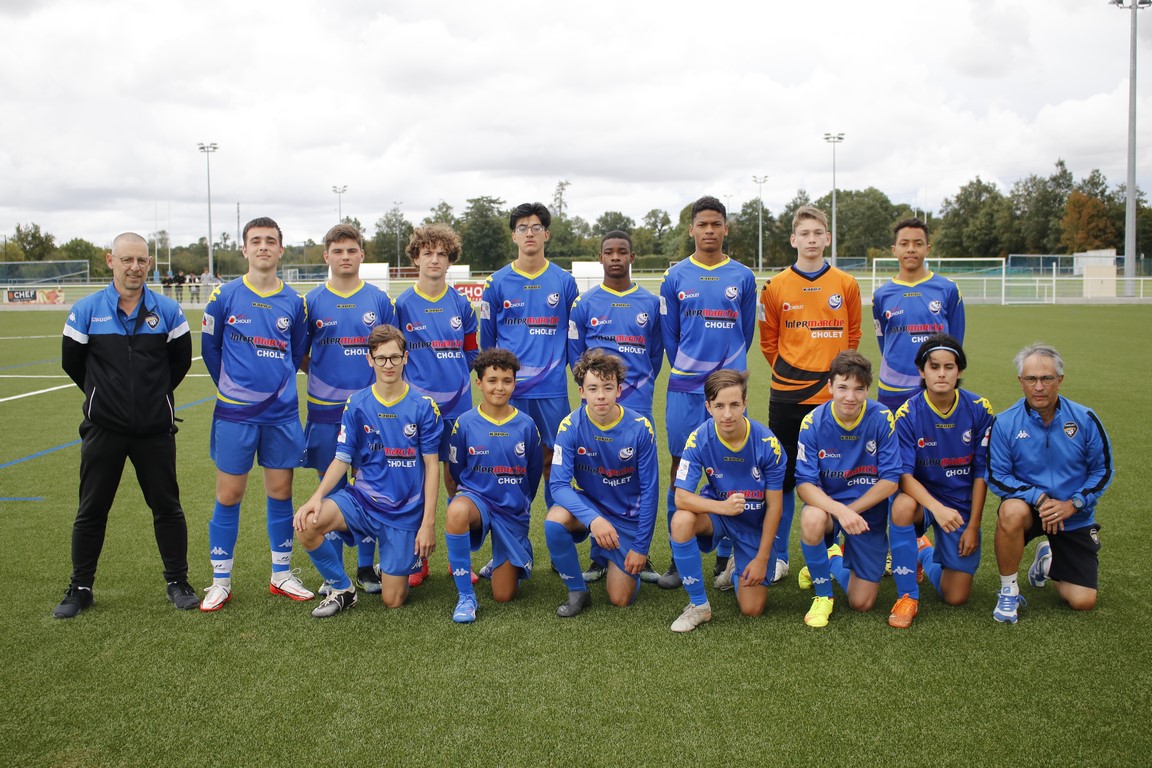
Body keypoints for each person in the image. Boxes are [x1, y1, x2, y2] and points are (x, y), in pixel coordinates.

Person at [53, 232, 196, 618]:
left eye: (141, 260)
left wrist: (152, 400)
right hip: (104, 430)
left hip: (154, 430)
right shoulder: (86, 310)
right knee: (91, 509)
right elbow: (72, 363)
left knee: (167, 507)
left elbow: (180, 363)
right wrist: (102, 398)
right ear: (110, 261)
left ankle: (178, 581)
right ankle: (81, 587)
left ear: (149, 264)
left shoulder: (168, 311)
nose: (135, 267)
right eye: (127, 259)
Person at [199, 217, 313, 611]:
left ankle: (281, 574)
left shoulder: (295, 302)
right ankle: (220, 581)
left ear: (280, 249)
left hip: (281, 415)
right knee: (229, 494)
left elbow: (296, 354)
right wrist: (233, 390)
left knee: (280, 492)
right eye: (256, 240)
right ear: (244, 249)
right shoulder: (224, 295)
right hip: (235, 415)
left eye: (270, 241)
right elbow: (210, 349)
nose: (263, 246)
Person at [293, 324, 441, 617]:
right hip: (362, 502)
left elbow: (432, 466)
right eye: (381, 358)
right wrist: (316, 497)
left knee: (393, 600)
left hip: (403, 511)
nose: (388, 364)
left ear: (405, 357)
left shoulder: (424, 406)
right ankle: (342, 588)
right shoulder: (357, 403)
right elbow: (341, 459)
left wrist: (428, 523)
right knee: (307, 523)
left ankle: (392, 562)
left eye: (395, 357)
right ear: (369, 359)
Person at [657, 196, 757, 590]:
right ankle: (677, 553)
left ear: (726, 228)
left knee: (732, 464)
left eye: (716, 224)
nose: (710, 230)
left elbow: (746, 331)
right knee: (680, 465)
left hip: (728, 388)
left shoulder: (743, 276)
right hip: (685, 387)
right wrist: (691, 367)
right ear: (692, 229)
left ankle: (725, 554)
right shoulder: (675, 276)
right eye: (703, 224)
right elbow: (670, 336)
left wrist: (728, 376)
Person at [758, 204, 861, 585]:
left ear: (827, 238)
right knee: (782, 478)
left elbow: (853, 336)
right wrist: (793, 372)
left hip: (835, 399)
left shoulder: (846, 284)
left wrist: (835, 381)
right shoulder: (775, 286)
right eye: (805, 233)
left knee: (836, 474)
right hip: (787, 396)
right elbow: (768, 341)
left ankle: (837, 551)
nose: (812, 239)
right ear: (793, 239)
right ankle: (780, 556)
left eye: (818, 233)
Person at [986, 343, 1113, 624]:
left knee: (1083, 601)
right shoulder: (1005, 423)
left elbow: (1102, 471)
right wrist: (1039, 498)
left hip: (1072, 513)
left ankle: (1047, 561)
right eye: (1031, 379)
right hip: (1031, 509)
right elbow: (997, 475)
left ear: (1060, 380)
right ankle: (1009, 590)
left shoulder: (1085, 419)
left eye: (1047, 378)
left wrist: (1074, 503)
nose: (1039, 387)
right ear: (1021, 381)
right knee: (1010, 511)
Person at [302, 223, 397, 596]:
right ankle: (335, 572)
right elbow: (301, 354)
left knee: (371, 486)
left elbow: (391, 352)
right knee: (331, 487)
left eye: (351, 250)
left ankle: (366, 568)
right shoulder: (310, 301)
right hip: (325, 411)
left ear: (362, 255)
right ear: (326, 255)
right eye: (338, 251)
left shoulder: (379, 300)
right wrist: (325, 378)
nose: (345, 257)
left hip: (372, 411)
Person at [567, 230, 663, 584]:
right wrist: (595, 391)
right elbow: (575, 356)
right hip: (596, 407)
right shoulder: (585, 303)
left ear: (632, 257)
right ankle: (600, 554)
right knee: (598, 475)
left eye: (623, 251)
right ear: (601, 257)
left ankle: (640, 549)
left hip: (637, 403)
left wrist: (636, 386)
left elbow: (656, 354)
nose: (616, 257)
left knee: (636, 478)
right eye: (609, 252)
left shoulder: (650, 302)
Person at [666, 369, 786, 632]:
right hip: (718, 515)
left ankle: (735, 569)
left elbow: (776, 506)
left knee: (752, 609)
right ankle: (699, 605)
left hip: (753, 524)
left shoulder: (768, 444)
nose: (728, 414)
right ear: (708, 407)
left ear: (745, 404)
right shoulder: (698, 438)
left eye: (734, 405)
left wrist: (762, 558)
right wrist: (722, 507)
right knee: (682, 520)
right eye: (719, 406)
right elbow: (682, 497)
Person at [887, 334, 993, 628]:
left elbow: (981, 471)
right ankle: (907, 596)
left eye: (949, 367)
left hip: (960, 505)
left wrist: (973, 526)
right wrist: (936, 508)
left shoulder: (979, 409)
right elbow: (904, 476)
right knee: (901, 507)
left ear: (960, 371)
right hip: (923, 500)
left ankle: (922, 550)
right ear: (922, 371)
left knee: (956, 596)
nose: (942, 374)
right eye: (934, 367)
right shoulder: (908, 413)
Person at [545, 349, 659, 618]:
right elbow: (558, 485)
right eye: (593, 388)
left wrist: (641, 548)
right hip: (592, 507)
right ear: (582, 392)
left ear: (619, 390)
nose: (600, 396)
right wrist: (593, 519)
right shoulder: (570, 426)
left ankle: (611, 554)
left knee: (620, 599)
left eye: (608, 388)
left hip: (627, 516)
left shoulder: (640, 427)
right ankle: (577, 590)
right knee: (554, 520)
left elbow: (650, 491)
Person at [479, 202, 578, 510]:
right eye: (522, 228)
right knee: (508, 465)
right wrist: (495, 384)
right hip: (510, 391)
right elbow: (487, 342)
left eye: (536, 227)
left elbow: (573, 337)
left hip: (552, 391)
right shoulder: (496, 282)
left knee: (553, 463)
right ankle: (509, 536)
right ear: (514, 236)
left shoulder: (564, 281)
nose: (529, 233)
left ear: (546, 234)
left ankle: (555, 528)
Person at [395, 222, 479, 586]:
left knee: (455, 483)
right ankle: (419, 560)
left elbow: (472, 352)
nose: (434, 259)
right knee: (416, 482)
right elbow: (393, 356)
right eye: (427, 252)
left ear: (450, 260)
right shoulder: (401, 305)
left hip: (458, 409)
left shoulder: (462, 304)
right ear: (415, 258)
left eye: (442, 254)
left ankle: (459, 560)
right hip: (415, 411)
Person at [794, 351, 899, 628]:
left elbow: (891, 480)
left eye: (858, 389)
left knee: (861, 603)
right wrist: (840, 512)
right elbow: (804, 485)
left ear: (868, 389)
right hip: (830, 510)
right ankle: (823, 596)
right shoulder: (812, 422)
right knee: (812, 517)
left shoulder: (882, 417)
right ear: (830, 386)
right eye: (842, 387)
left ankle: (830, 560)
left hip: (867, 513)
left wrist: (850, 511)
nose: (850, 397)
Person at [444, 348, 543, 623]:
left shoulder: (527, 425)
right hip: (477, 501)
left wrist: (519, 504)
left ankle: (512, 551)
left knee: (504, 595)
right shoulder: (464, 423)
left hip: (511, 511)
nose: (499, 387)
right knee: (456, 511)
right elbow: (456, 470)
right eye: (492, 380)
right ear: (479, 383)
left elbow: (533, 475)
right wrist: (468, 495)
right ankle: (466, 596)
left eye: (507, 381)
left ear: (514, 383)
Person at [871, 218, 964, 410]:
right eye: (904, 243)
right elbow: (884, 341)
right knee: (892, 430)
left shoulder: (948, 289)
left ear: (928, 249)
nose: (911, 249)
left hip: (936, 384)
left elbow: (955, 343)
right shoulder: (880, 295)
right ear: (894, 249)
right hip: (893, 385)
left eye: (918, 243)